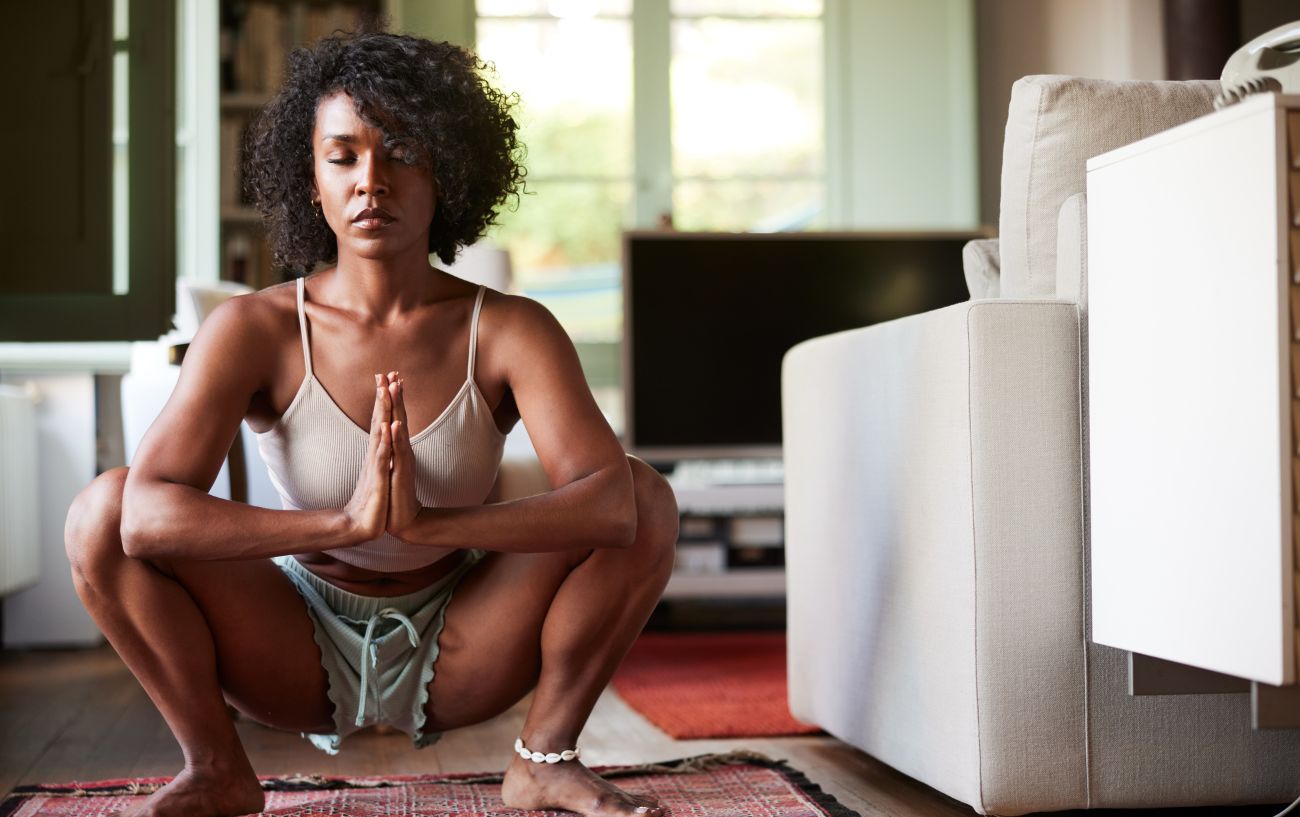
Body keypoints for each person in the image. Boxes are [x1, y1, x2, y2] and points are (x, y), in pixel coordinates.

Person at [63, 31, 679, 817]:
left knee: (647, 493)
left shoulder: (511, 329)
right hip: (288, 642)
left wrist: (430, 526)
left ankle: (542, 758)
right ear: (309, 178)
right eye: (343, 155)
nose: (371, 181)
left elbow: (613, 507)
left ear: (447, 168)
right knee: (100, 511)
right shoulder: (255, 330)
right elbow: (145, 516)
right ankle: (216, 767)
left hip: (467, 640)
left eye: (402, 150)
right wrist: (342, 523)